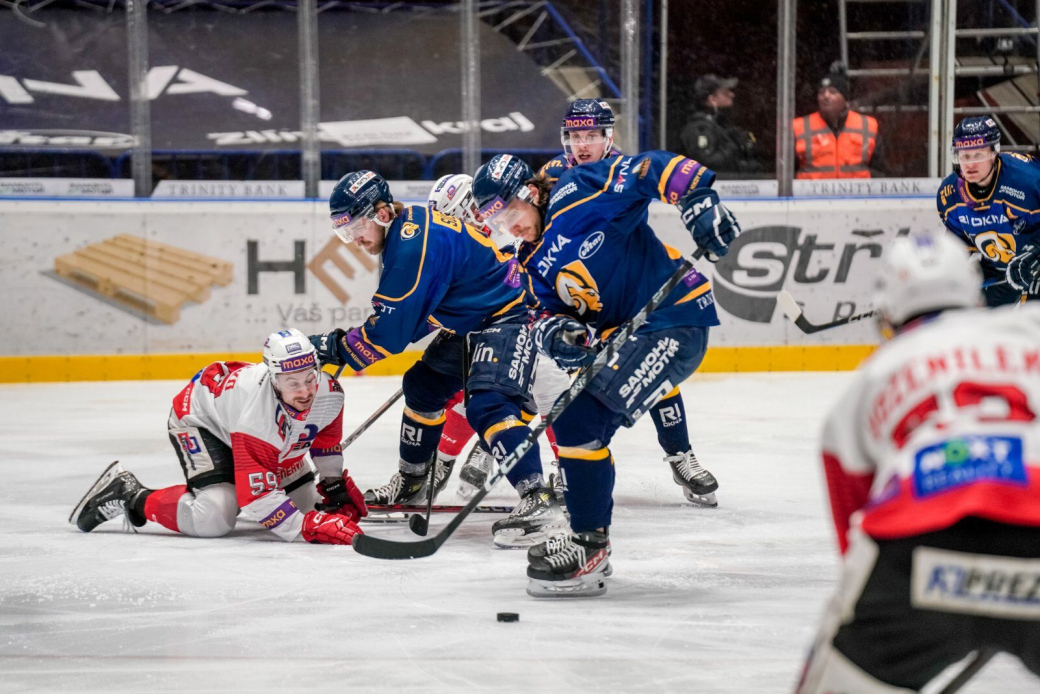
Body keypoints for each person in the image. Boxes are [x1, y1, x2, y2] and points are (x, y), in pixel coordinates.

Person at [471, 150, 741, 597]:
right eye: (499, 223)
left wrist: (698, 197)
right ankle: (588, 540)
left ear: (531, 193)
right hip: (629, 336)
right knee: (576, 422)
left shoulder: (580, 189)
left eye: (512, 214)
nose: (511, 228)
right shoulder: (531, 265)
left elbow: (651, 168)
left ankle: (589, 544)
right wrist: (559, 333)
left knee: (580, 420)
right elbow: (541, 316)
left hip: (674, 317)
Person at [795, 233, 1040, 693]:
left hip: (916, 550)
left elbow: (856, 535)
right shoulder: (1030, 328)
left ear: (887, 308)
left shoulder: (870, 379)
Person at [308, 170, 568, 547]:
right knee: (422, 386)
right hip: (473, 319)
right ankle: (415, 481)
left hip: (511, 315)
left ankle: (538, 499)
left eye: (357, 228)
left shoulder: (411, 245)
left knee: (488, 405)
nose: (356, 240)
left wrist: (336, 346)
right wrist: (351, 345)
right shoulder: (407, 231)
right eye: (345, 233)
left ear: (381, 213)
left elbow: (390, 334)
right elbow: (414, 316)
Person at [538, 98, 720, 509]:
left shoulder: (614, 169)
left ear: (608, 137)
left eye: (591, 136)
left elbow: (653, 173)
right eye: (575, 136)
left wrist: (694, 198)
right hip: (585, 297)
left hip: (633, 286)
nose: (582, 144)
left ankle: (680, 455)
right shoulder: (552, 174)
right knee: (577, 378)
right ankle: (568, 464)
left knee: (656, 376)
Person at [69, 329, 367, 546]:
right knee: (214, 517)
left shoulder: (329, 393)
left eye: (308, 378)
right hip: (203, 421)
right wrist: (304, 527)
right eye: (292, 383)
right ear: (274, 379)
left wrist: (334, 485)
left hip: (241, 428)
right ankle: (130, 495)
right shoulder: (258, 417)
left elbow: (324, 443)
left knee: (304, 505)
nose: (304, 392)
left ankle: (230, 483)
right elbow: (259, 496)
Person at [425, 172, 567, 547]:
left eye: (449, 217)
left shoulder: (509, 231)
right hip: (499, 331)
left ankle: (565, 476)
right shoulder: (468, 238)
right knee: (474, 398)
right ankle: (441, 464)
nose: (444, 227)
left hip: (533, 330)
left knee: (549, 397)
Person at [937, 115, 1040, 307]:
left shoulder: (1029, 179)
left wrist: (1035, 254)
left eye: (978, 155)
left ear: (994, 152)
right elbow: (958, 249)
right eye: (965, 156)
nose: (970, 164)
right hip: (1002, 272)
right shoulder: (949, 195)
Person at [793, 61, 883, 179]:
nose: (826, 96)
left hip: (857, 196)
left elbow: (879, 172)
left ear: (845, 99)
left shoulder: (868, 126)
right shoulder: (799, 127)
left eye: (833, 92)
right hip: (812, 196)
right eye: (821, 92)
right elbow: (787, 173)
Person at [679, 74, 761, 177]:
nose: (732, 95)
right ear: (712, 99)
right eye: (725, 93)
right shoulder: (699, 128)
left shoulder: (721, 124)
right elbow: (707, 163)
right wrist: (735, 145)